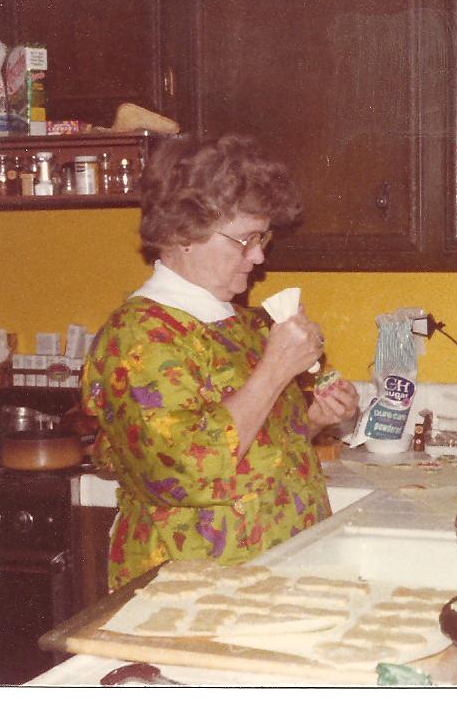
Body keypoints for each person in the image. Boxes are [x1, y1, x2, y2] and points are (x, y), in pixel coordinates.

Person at [81, 134, 359, 591]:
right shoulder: (138, 338)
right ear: (182, 235)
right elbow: (185, 471)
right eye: (245, 239)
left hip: (274, 572)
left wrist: (309, 420)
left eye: (262, 236)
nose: (259, 255)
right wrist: (274, 371)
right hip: (193, 587)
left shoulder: (241, 323)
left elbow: (251, 444)